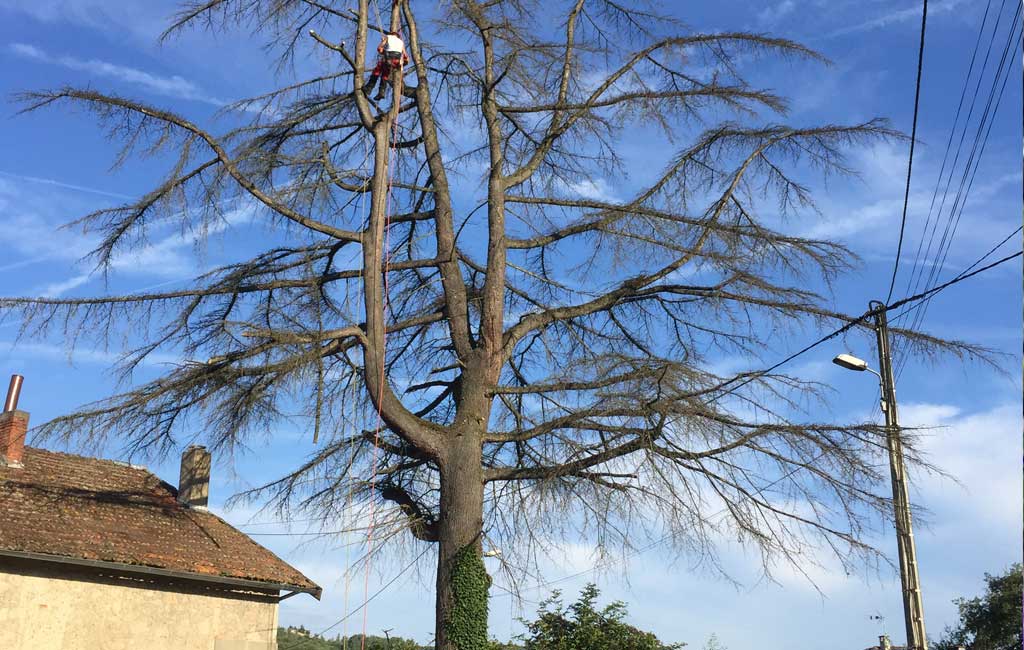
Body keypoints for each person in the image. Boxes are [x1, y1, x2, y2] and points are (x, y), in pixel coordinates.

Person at [367, 31, 408, 101]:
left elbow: (379, 48)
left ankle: (368, 88)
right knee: (385, 75)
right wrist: (402, 63)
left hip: (388, 59)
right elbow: (405, 56)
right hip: (396, 62)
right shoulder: (401, 42)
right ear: (397, 36)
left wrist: (383, 42)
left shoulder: (388, 37)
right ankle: (381, 93)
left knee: (377, 71)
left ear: (391, 34)